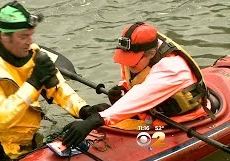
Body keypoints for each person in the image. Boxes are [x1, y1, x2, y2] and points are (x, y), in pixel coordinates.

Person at [0, 0, 110, 161]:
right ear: (5, 37)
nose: (30, 41)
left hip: (29, 138)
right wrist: (34, 83)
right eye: (23, 36)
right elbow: (2, 118)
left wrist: (83, 110)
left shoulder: (31, 51)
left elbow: (56, 88)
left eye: (30, 35)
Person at [62, 21, 215, 148]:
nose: (128, 66)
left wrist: (97, 119)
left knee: (103, 119)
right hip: (150, 115)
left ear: (152, 53)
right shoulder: (135, 52)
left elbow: (141, 95)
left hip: (180, 122)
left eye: (132, 63)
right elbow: (132, 83)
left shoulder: (172, 69)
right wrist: (122, 90)